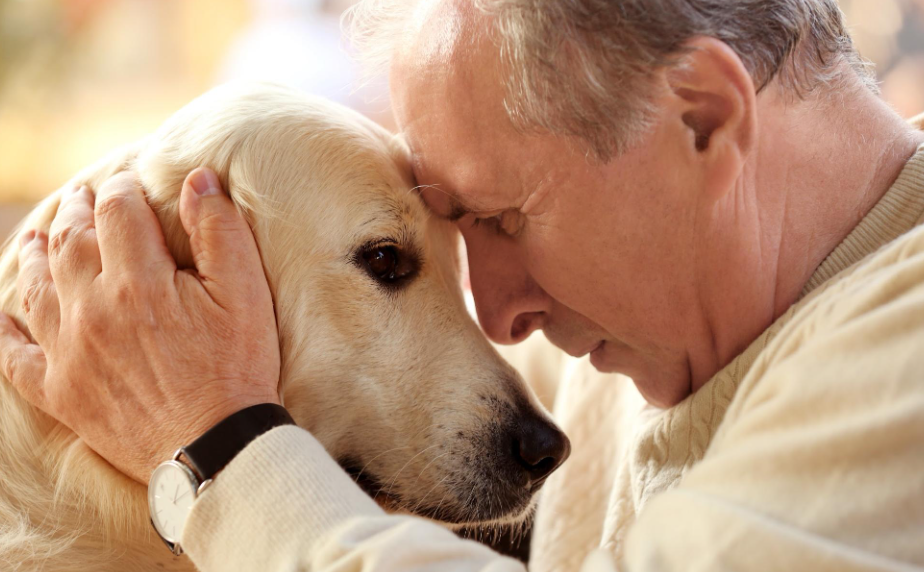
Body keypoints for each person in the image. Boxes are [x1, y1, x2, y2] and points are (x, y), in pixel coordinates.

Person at [2, 0, 924, 570]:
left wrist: (213, 447)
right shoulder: (659, 329)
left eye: (506, 219)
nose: (502, 311)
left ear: (702, 119)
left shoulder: (903, 352)